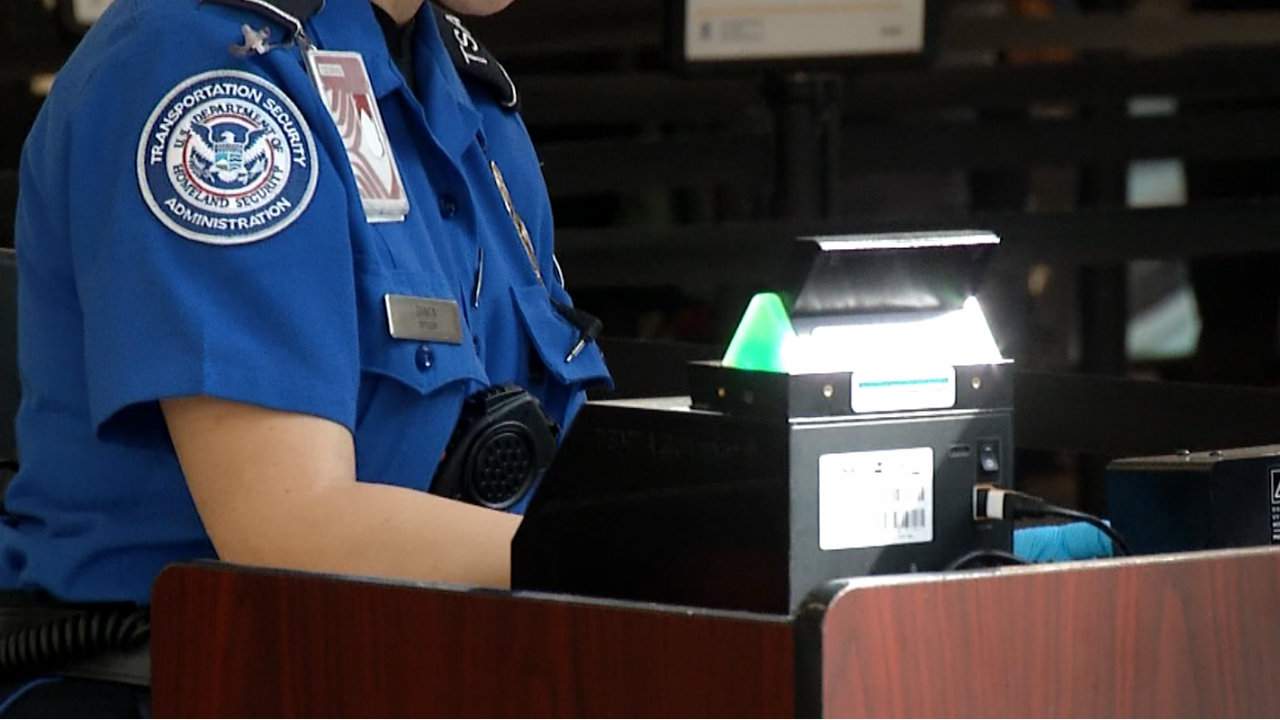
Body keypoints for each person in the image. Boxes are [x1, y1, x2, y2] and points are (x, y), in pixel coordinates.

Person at [0, 0, 610, 708]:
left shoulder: (460, 92)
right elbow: (291, 528)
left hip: (440, 668)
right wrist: (635, 562)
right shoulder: (216, 70)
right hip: (204, 683)